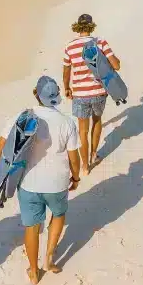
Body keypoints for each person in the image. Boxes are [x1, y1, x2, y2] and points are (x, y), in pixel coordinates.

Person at [0, 76, 80, 285]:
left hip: (28, 182)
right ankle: (49, 258)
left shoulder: (21, 117)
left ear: (36, 94)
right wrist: (75, 177)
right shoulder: (67, 122)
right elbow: (73, 157)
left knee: (31, 227)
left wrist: (6, 171)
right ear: (57, 97)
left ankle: (33, 272)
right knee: (59, 214)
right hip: (57, 183)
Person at [62, 13, 121, 175]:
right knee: (96, 122)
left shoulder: (70, 46)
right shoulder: (100, 42)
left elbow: (66, 70)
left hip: (80, 94)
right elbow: (116, 66)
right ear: (91, 26)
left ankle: (85, 167)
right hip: (99, 92)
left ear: (78, 26)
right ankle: (94, 155)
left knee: (82, 131)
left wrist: (66, 87)